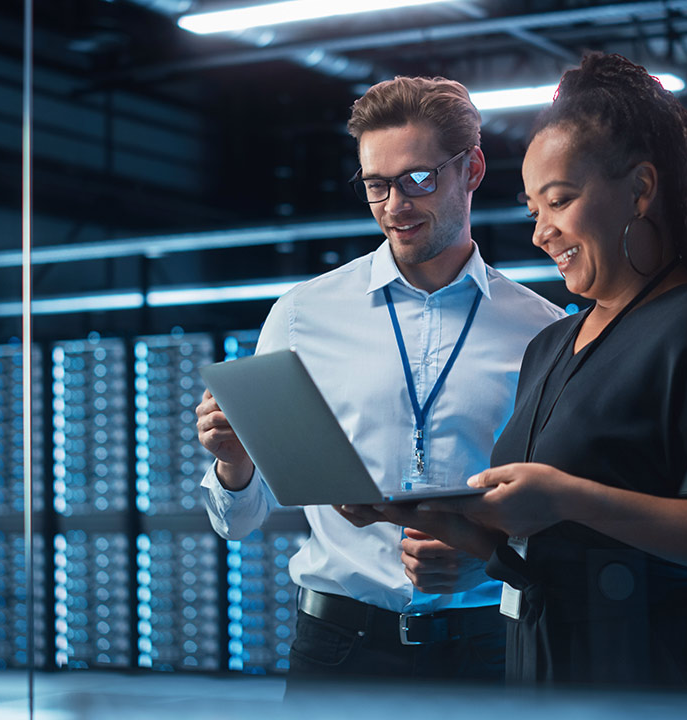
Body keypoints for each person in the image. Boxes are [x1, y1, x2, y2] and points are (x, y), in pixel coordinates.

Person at [370, 53, 687, 693]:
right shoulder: (549, 345)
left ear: (640, 189)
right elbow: (558, 549)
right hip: (545, 676)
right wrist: (475, 551)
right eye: (532, 211)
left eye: (561, 201)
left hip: (660, 682)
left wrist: (567, 496)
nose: (542, 233)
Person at [194, 75, 564, 685]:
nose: (395, 206)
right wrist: (234, 465)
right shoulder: (301, 316)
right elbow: (237, 520)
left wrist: (489, 558)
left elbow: (562, 511)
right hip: (337, 649)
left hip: (489, 649)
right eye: (376, 185)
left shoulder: (544, 331)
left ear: (471, 169)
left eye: (418, 179)